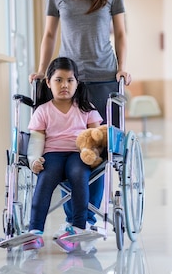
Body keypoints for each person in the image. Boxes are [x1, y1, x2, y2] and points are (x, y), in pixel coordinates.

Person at [28, 0, 132, 237]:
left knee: (97, 149)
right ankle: (72, 215)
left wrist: (123, 68)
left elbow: (122, 34)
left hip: (102, 78)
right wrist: (41, 70)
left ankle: (88, 216)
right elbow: (49, 35)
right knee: (67, 145)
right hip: (68, 81)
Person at [23, 57, 103, 252]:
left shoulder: (86, 108)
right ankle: (35, 231)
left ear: (77, 83)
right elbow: (36, 140)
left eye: (70, 80)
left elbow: (97, 136)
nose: (64, 85)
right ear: (48, 83)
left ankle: (77, 227)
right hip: (52, 154)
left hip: (78, 154)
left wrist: (93, 153)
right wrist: (34, 159)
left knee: (78, 175)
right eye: (58, 80)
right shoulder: (42, 111)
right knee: (45, 178)